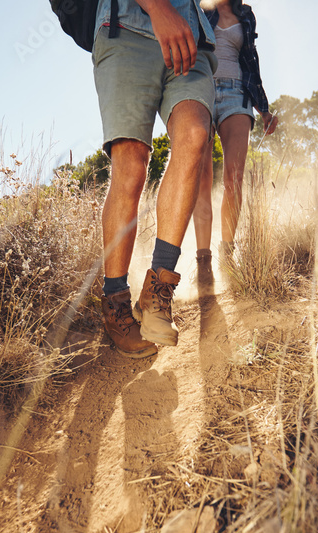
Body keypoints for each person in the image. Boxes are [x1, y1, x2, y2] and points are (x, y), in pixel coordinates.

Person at [93, 0, 218, 358]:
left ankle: (159, 289)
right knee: (131, 166)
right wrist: (159, 9)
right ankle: (115, 303)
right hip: (127, 31)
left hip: (190, 37)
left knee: (195, 136)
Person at [192, 0, 276, 269]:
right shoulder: (199, 8)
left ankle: (227, 256)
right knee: (201, 180)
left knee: (234, 179)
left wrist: (263, 109)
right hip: (201, 91)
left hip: (237, 94)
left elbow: (252, 62)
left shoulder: (245, 14)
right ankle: (203, 261)